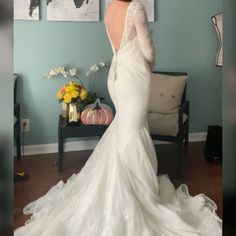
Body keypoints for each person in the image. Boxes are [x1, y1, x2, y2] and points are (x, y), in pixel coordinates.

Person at [14, 0, 222, 235]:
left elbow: (119, 44)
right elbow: (149, 50)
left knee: (125, 129)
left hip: (117, 74)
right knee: (133, 132)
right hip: (134, 76)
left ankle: (127, 186)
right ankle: (133, 195)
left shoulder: (110, 8)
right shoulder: (136, 8)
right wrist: (148, 66)